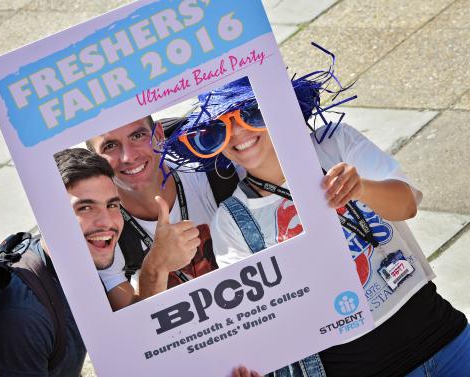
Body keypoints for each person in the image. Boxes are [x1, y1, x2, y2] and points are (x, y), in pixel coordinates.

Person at [160, 73, 469, 376]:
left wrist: (361, 188)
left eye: (250, 113)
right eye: (219, 129)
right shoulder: (231, 221)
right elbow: (260, 321)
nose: (238, 134)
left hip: (444, 336)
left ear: (276, 107)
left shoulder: (334, 143)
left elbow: (407, 205)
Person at [0, 149, 183, 376]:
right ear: (47, 215)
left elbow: (139, 340)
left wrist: (158, 265)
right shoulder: (25, 316)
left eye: (112, 205)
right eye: (85, 207)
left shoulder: (85, 260)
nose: (107, 222)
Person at [85, 115, 238, 295]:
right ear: (95, 161)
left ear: (158, 135)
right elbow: (131, 320)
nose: (129, 156)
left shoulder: (213, 173)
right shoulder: (100, 229)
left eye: (137, 136)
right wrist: (156, 266)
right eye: (110, 146)